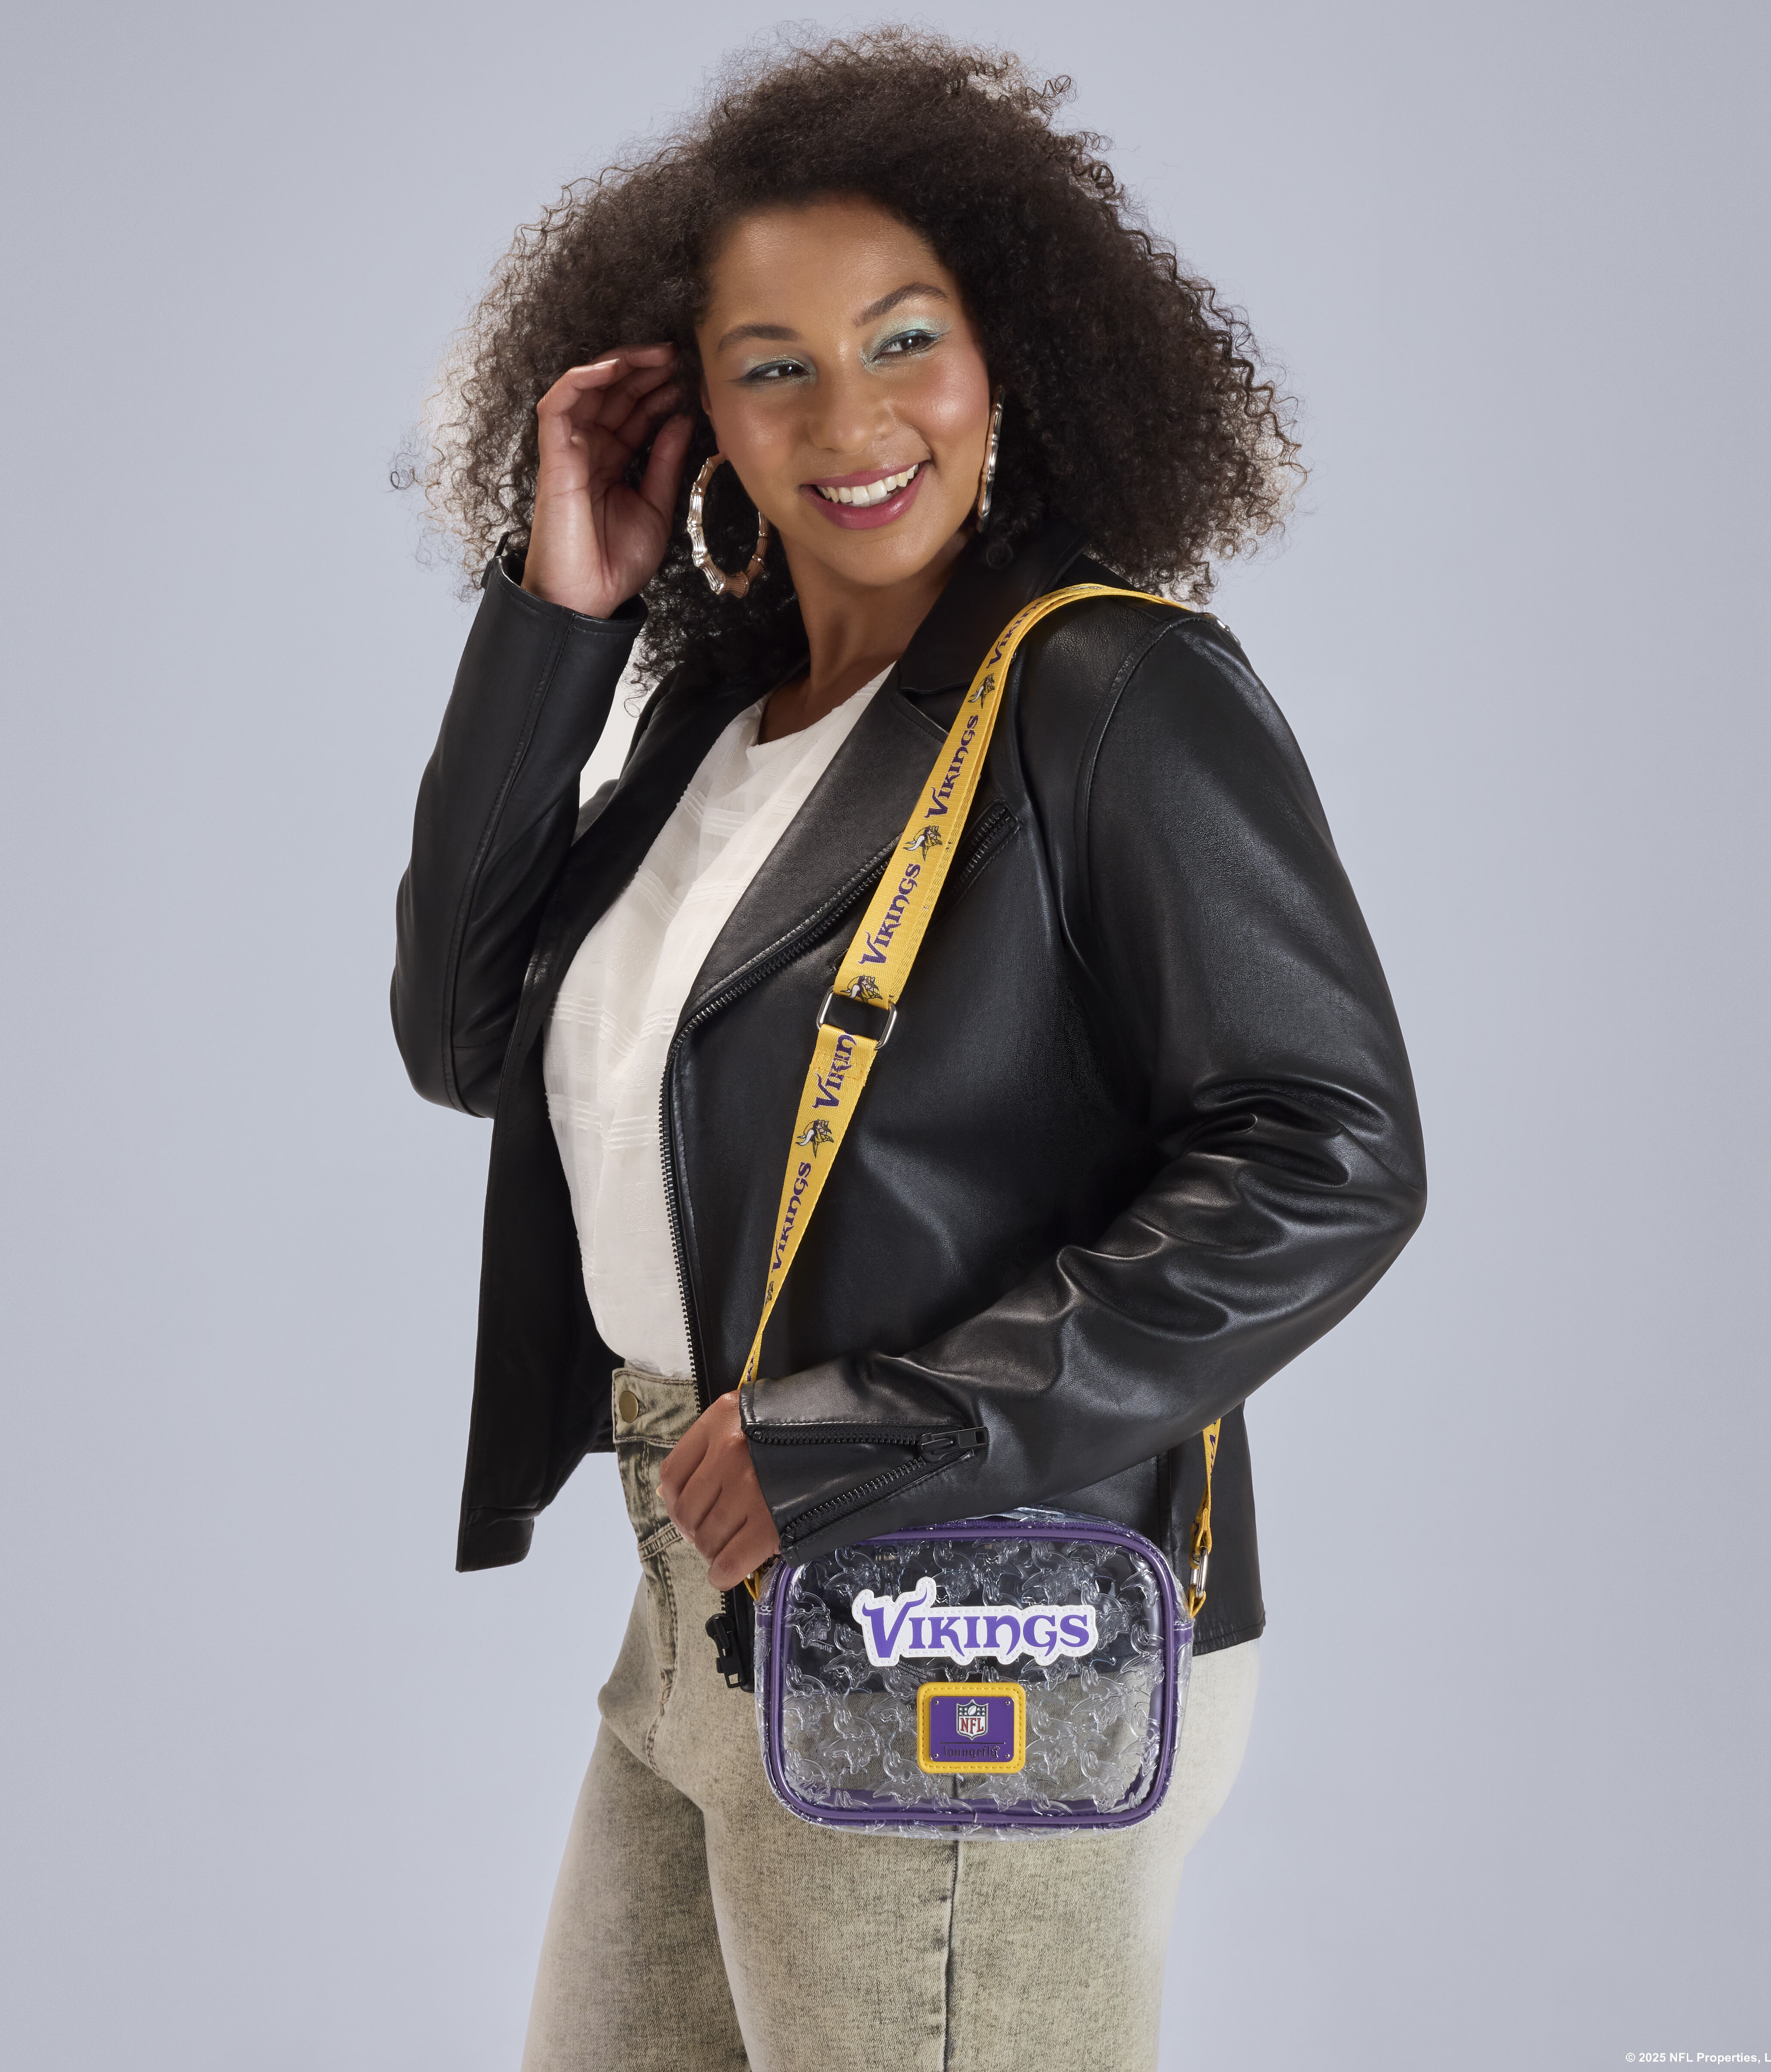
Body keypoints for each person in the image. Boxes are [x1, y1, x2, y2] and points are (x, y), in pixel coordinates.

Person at [392, 30, 1423, 2072]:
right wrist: (556, 614)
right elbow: (463, 1028)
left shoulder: (1108, 692)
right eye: (771, 364)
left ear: (1004, 352)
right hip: (702, 1589)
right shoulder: (725, 723)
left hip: (964, 1604)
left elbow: (1325, 1149)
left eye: (901, 340)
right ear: (699, 413)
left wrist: (893, 1429)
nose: (851, 419)